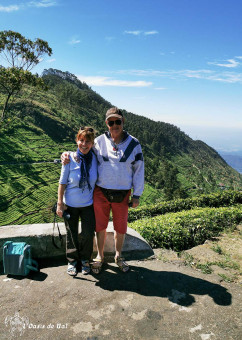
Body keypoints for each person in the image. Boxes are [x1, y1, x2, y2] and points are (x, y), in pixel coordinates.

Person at [62, 107, 144, 274]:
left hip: (122, 193)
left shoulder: (134, 144)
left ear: (123, 122)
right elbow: (82, 151)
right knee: (100, 226)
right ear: (107, 124)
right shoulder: (98, 141)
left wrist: (137, 195)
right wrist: (66, 155)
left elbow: (139, 170)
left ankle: (118, 256)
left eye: (118, 122)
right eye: (111, 122)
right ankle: (99, 256)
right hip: (101, 192)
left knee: (120, 227)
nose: (115, 125)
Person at [57, 127, 97, 276]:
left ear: (92, 143)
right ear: (77, 141)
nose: (84, 144)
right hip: (70, 205)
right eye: (81, 140)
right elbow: (62, 183)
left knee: (88, 233)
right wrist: (60, 203)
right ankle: (72, 261)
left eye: (88, 141)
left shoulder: (95, 159)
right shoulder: (69, 159)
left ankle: (86, 259)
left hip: (88, 205)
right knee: (71, 233)